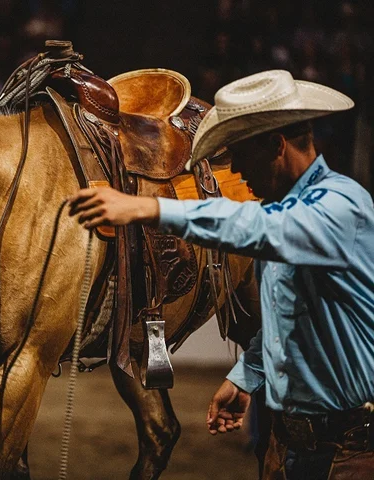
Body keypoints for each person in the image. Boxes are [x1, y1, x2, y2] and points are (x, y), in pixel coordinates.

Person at [69, 70, 374, 479]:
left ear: (276, 145)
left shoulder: (342, 206)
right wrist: (248, 375)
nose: (237, 172)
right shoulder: (295, 215)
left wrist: (148, 208)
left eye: (240, 155)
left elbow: (257, 225)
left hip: (351, 453)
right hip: (294, 448)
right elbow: (292, 316)